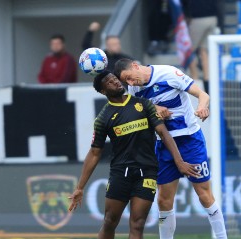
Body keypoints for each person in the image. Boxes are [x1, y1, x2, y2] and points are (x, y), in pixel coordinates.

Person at [68, 71, 200, 239]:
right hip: (120, 173)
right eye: (109, 82)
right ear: (103, 91)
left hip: (147, 173)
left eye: (115, 79)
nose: (116, 82)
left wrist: (179, 161)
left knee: (137, 225)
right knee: (109, 221)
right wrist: (80, 187)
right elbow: (95, 153)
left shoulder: (144, 104)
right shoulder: (103, 118)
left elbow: (164, 133)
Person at [114, 59, 228, 239]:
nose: (130, 83)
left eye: (129, 77)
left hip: (190, 141)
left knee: (204, 195)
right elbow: (138, 112)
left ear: (135, 66)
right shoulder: (135, 89)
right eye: (126, 81)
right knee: (163, 200)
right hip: (165, 145)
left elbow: (203, 94)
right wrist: (153, 108)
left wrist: (202, 107)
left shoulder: (168, 74)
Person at [180, 0, 223, 94]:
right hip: (213, 18)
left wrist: (186, 15)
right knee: (204, 51)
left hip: (198, 18)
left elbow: (184, 3)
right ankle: (208, 83)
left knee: (189, 51)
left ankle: (195, 81)